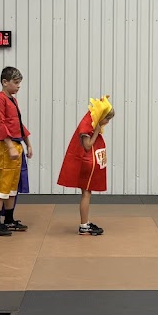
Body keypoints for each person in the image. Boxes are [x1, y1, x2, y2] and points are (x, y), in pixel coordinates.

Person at [57, 95, 114, 236]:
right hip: (87, 162)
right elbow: (87, 145)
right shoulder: (88, 125)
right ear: (101, 115)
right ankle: (84, 225)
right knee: (86, 194)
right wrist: (97, 131)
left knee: (86, 194)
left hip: (88, 162)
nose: (107, 122)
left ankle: (85, 223)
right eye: (107, 119)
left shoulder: (90, 121)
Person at [0, 67, 32, 237]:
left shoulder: (12, 100)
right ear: (5, 82)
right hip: (6, 146)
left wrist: (28, 143)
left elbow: (18, 124)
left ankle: (9, 220)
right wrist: (10, 146)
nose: (18, 86)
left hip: (16, 144)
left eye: (19, 83)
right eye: (16, 82)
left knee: (13, 185)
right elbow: (1, 123)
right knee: (4, 184)